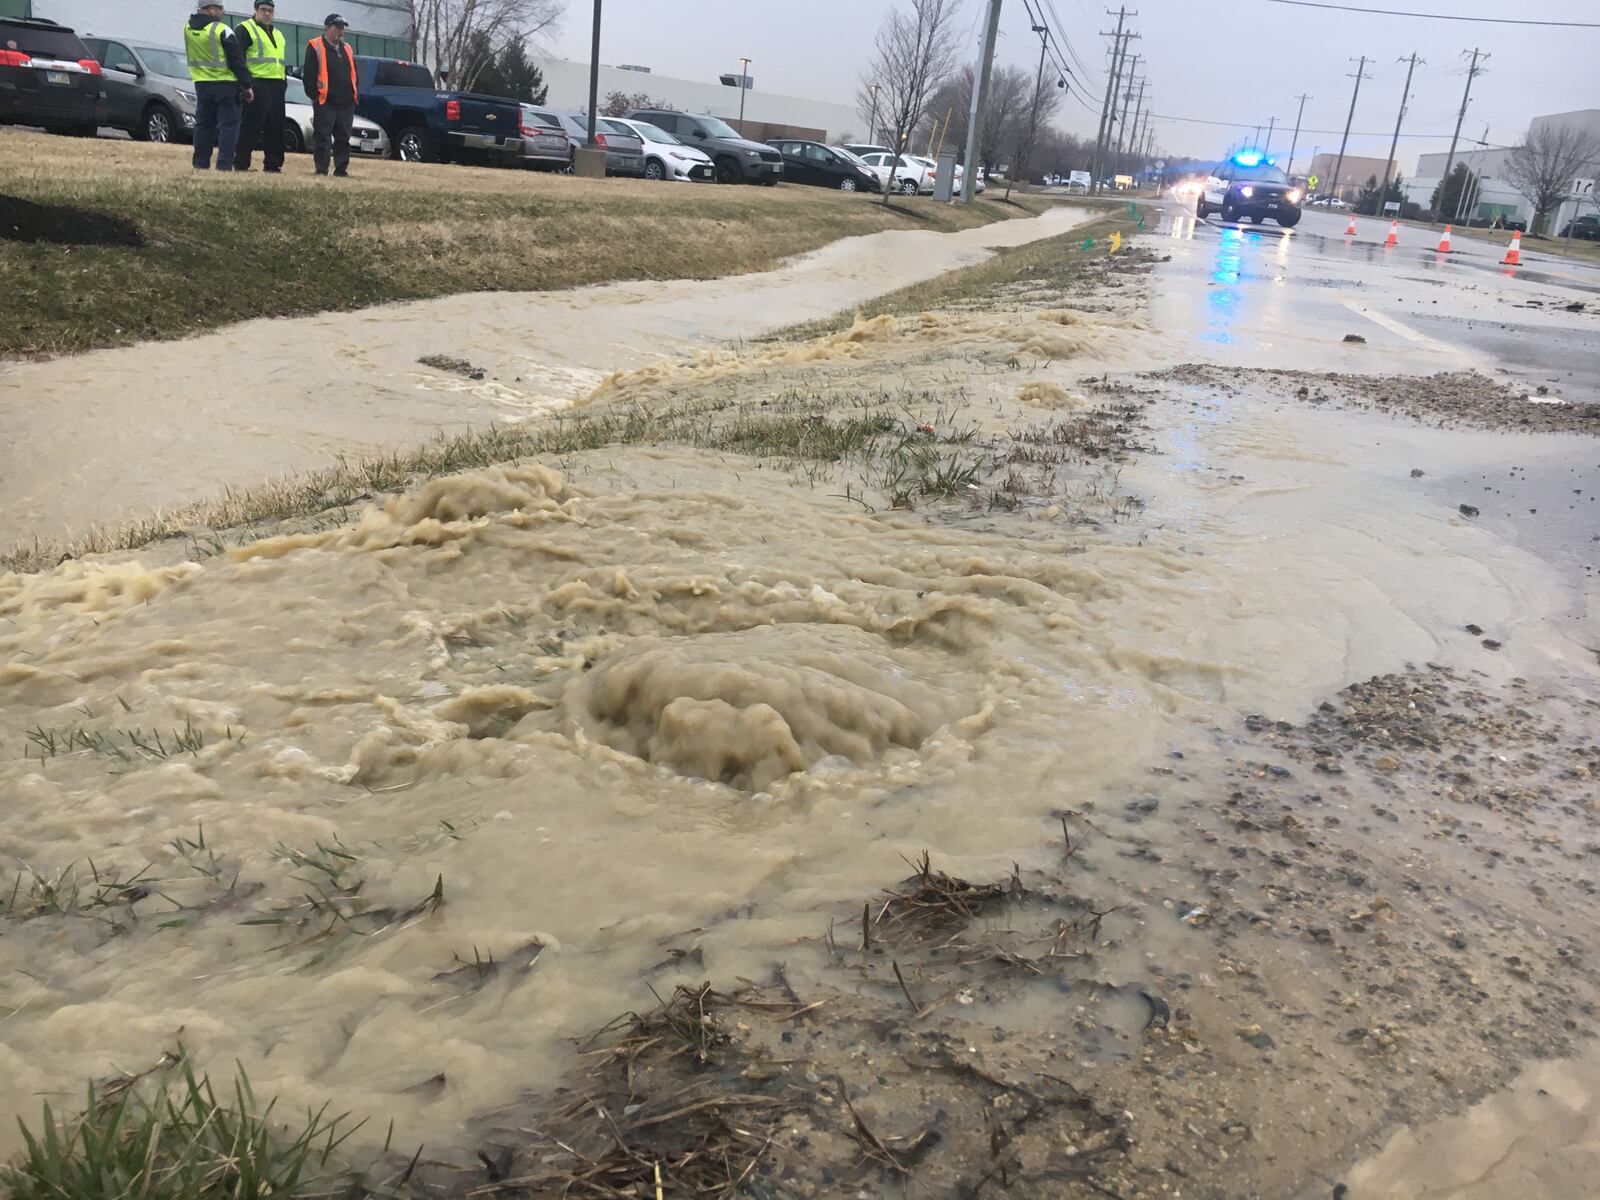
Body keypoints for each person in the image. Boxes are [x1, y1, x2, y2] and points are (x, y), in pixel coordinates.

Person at [185, 0, 253, 171]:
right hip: (225, 85)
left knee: (204, 126)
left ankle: (200, 164)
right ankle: (224, 165)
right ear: (211, 9)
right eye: (220, 8)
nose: (223, 12)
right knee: (228, 127)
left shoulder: (188, 28)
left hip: (202, 84)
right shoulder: (222, 30)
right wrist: (247, 84)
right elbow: (236, 60)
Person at [302, 14, 358, 178]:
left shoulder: (347, 48)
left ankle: (341, 169)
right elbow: (309, 75)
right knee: (323, 137)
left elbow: (353, 72)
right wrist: (315, 96)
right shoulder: (315, 45)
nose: (340, 31)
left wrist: (354, 94)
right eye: (337, 27)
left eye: (342, 28)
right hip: (326, 101)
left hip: (346, 102)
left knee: (343, 138)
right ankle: (321, 169)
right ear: (327, 27)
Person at [234, 0, 286, 173]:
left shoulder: (277, 33)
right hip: (257, 82)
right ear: (255, 10)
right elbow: (238, 58)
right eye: (263, 10)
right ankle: (241, 163)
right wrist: (245, 84)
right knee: (251, 125)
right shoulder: (245, 29)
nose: (267, 14)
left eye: (270, 10)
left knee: (276, 125)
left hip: (277, 84)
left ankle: (273, 164)